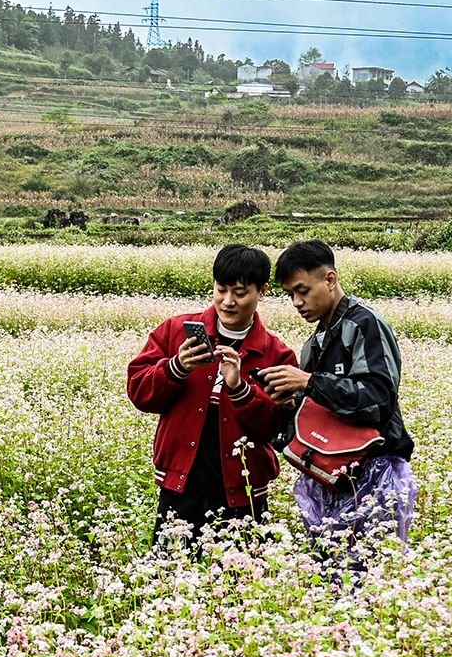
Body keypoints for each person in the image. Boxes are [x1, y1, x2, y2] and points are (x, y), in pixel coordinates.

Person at [256, 239, 417, 565]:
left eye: (303, 290)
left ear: (330, 280)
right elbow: (316, 418)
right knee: (330, 581)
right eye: (290, 295)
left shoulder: (364, 325)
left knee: (372, 581)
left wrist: (310, 382)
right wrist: (290, 404)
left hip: (375, 472)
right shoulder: (313, 344)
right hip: (328, 479)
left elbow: (378, 403)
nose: (297, 302)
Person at [126, 244, 296, 542]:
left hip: (243, 494)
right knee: (170, 577)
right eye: (221, 290)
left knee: (238, 583)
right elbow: (139, 392)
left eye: (240, 293)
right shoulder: (175, 331)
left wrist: (240, 389)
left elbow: (275, 426)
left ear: (263, 291)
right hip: (181, 486)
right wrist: (176, 367)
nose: (228, 301)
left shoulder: (276, 353)